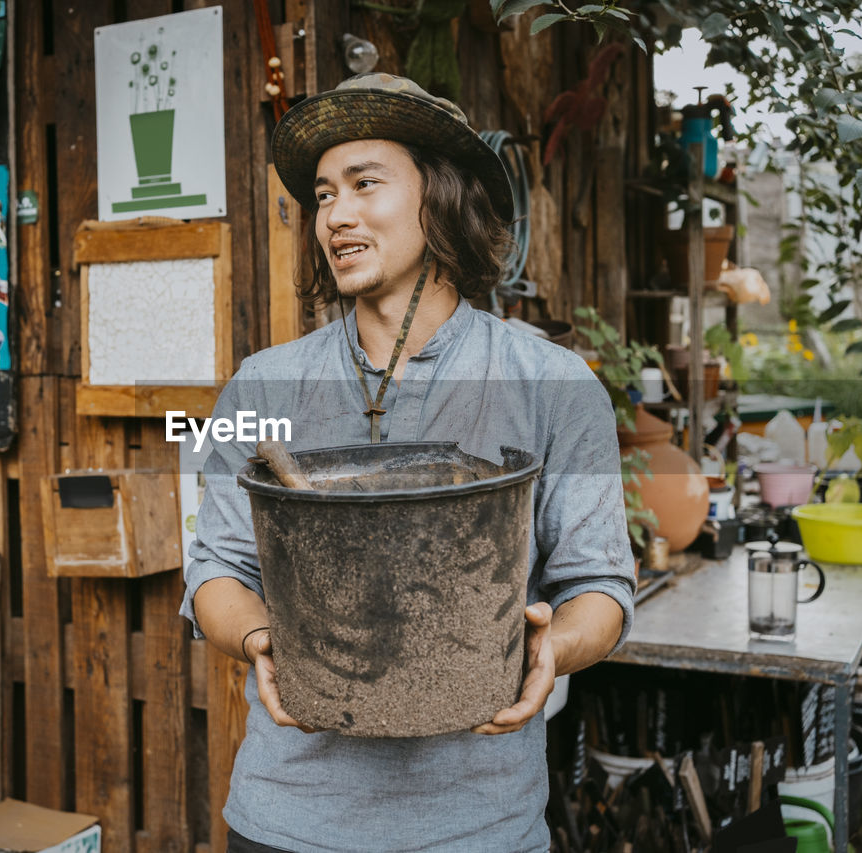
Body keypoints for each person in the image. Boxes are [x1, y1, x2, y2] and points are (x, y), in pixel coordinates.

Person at [180, 73, 635, 852]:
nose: (337, 216)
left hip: (480, 825)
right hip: (289, 818)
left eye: (365, 184)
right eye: (324, 195)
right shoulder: (262, 384)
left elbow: (600, 586)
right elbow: (214, 572)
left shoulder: (553, 384)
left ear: (440, 196)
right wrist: (262, 639)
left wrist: (551, 647)